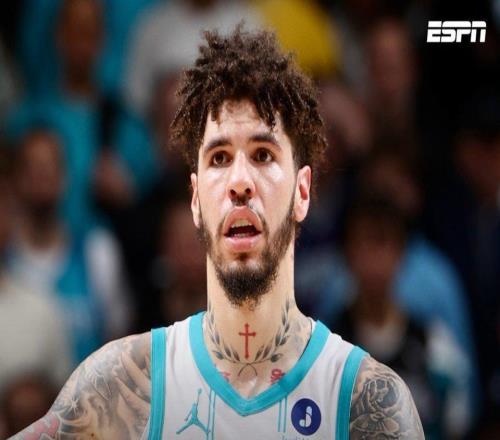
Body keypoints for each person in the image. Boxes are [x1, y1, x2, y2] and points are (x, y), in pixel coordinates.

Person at [10, 27, 424, 439]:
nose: (239, 181)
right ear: (195, 200)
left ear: (302, 193)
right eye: (220, 158)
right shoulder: (123, 386)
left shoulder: (367, 401)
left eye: (263, 154)